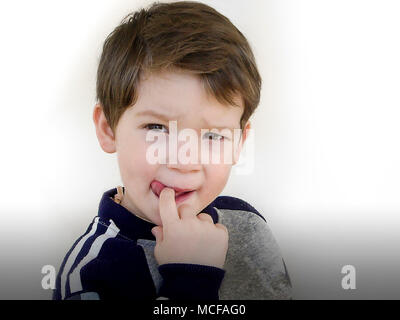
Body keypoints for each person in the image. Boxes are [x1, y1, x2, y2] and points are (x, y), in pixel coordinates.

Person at [53, 0, 292, 300]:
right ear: (108, 129)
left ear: (239, 144)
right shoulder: (91, 275)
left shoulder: (248, 225)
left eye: (213, 136)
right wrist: (191, 280)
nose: (184, 161)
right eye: (157, 129)